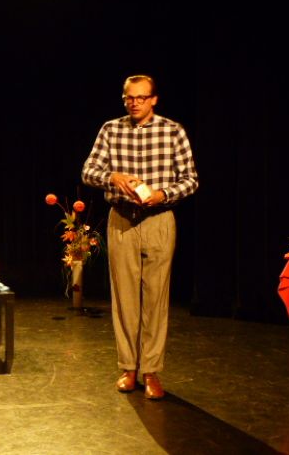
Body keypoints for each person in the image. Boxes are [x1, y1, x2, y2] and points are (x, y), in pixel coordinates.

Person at [81, 74, 198, 400]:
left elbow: (190, 180)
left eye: (141, 97)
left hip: (159, 220)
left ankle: (151, 371)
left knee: (156, 299)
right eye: (129, 98)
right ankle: (128, 368)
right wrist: (112, 177)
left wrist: (163, 194)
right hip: (122, 220)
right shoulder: (111, 129)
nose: (134, 103)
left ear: (154, 99)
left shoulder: (172, 131)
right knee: (125, 298)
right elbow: (88, 171)